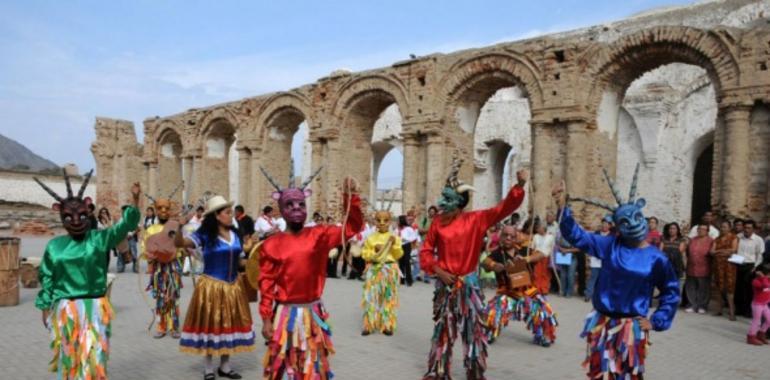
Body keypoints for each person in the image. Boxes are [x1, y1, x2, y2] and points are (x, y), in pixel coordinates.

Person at [554, 164, 680, 380]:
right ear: (618, 227)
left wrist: (657, 320)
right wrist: (562, 207)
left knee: (627, 375)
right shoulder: (610, 245)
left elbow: (671, 291)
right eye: (624, 222)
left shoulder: (657, 258)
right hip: (603, 323)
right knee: (601, 374)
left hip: (631, 328)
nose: (632, 225)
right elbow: (578, 237)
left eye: (636, 218)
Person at [419, 156, 527, 380]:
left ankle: (475, 371)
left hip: (469, 285)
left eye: (447, 198)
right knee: (443, 330)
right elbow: (426, 251)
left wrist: (519, 187)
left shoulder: (476, 219)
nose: (442, 202)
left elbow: (503, 208)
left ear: (459, 201)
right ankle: (439, 371)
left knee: (474, 330)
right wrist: (438, 271)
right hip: (445, 285)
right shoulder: (437, 222)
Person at [258, 168, 363, 380]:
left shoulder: (320, 235)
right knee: (284, 365)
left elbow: (352, 227)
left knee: (312, 367)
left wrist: (350, 198)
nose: (297, 209)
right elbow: (266, 284)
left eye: (301, 204)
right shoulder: (271, 244)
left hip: (312, 313)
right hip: (285, 315)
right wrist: (266, 320)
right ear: (281, 209)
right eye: (290, 204)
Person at [35, 170, 141, 379]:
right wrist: (45, 309)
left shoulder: (99, 239)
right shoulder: (54, 246)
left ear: (88, 212)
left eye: (81, 215)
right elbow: (47, 279)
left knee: (94, 359)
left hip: (95, 308)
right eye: (68, 216)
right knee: (70, 360)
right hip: (66, 310)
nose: (75, 220)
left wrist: (135, 199)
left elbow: (126, 225)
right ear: (60, 215)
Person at [175, 195, 255, 380]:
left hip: (233, 287)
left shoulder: (235, 235)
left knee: (230, 325)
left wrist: (256, 263)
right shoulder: (204, 235)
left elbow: (240, 261)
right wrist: (179, 226)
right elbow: (179, 244)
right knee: (211, 326)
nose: (231, 215)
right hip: (211, 287)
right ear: (217, 216)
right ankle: (208, 368)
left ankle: (225, 366)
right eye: (227, 212)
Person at [482, 225, 558, 347]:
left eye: (511, 236)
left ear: (515, 238)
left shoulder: (524, 250)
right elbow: (485, 263)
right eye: (505, 235)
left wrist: (526, 259)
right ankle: (491, 332)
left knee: (543, 310)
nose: (508, 238)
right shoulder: (497, 254)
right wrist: (496, 266)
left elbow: (542, 254)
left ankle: (541, 335)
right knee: (492, 311)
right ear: (500, 237)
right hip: (507, 292)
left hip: (528, 291)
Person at [142, 197, 184, 339]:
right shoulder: (151, 229)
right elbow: (146, 250)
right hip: (159, 269)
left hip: (173, 267)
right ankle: (162, 326)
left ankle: (174, 326)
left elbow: (181, 247)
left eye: (167, 208)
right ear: (156, 210)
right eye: (160, 208)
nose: (164, 211)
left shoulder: (175, 226)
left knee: (173, 296)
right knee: (160, 297)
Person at [361, 209, 403, 336]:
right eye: (378, 220)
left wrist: (394, 245)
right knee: (371, 298)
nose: (382, 223)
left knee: (388, 298)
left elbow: (399, 254)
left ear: (390, 221)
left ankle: (387, 325)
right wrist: (374, 250)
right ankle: (369, 325)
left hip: (389, 270)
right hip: (374, 270)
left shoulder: (394, 237)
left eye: (385, 220)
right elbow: (365, 254)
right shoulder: (371, 238)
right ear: (375, 221)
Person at [735, 220, 765, 318]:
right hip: (738, 263)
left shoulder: (758, 240)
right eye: (745, 227)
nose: (747, 230)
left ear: (753, 229)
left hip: (750, 265)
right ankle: (739, 309)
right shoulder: (738, 237)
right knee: (738, 288)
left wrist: (755, 267)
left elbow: (760, 255)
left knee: (749, 290)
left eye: (749, 228)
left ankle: (748, 310)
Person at [711, 220, 738, 320]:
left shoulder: (734, 237)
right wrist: (724, 252)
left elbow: (733, 250)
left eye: (725, 227)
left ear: (729, 228)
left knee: (730, 289)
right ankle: (719, 309)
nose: (723, 229)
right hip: (718, 266)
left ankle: (732, 312)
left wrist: (719, 251)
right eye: (721, 227)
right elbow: (711, 251)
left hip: (729, 266)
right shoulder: (717, 239)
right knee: (718, 287)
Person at [685, 224, 713, 314]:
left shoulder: (711, 241)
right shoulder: (693, 239)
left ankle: (702, 306)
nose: (700, 230)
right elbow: (687, 252)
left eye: (703, 229)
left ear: (707, 231)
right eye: (699, 229)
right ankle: (692, 305)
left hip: (704, 267)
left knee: (703, 288)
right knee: (691, 287)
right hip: (691, 266)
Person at [585, 216, 611, 302]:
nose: (604, 226)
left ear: (609, 226)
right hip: (596, 259)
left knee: (604, 279)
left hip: (606, 261)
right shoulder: (596, 234)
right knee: (593, 277)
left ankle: (601, 297)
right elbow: (591, 245)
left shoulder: (611, 236)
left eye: (606, 224)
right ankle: (588, 295)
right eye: (603, 224)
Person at [746, 264, 770, 345]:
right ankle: (751, 337)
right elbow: (765, 286)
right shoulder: (755, 281)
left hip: (765, 305)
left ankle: (761, 334)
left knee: (769, 320)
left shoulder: (767, 280)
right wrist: (763, 277)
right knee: (756, 321)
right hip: (757, 305)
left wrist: (765, 277)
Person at [531, 220, 555, 295]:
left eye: (539, 228)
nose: (537, 229)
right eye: (537, 228)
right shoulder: (535, 236)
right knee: (536, 273)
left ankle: (544, 289)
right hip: (536, 256)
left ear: (543, 228)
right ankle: (536, 288)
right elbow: (533, 247)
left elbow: (553, 248)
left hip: (546, 257)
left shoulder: (550, 237)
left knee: (545, 274)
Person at [398, 215, 420, 286]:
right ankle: (401, 280)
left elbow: (414, 237)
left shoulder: (408, 228)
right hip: (399, 246)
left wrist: (406, 239)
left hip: (406, 246)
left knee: (407, 262)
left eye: (398, 220)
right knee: (400, 263)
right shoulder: (398, 229)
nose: (397, 221)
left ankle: (409, 280)